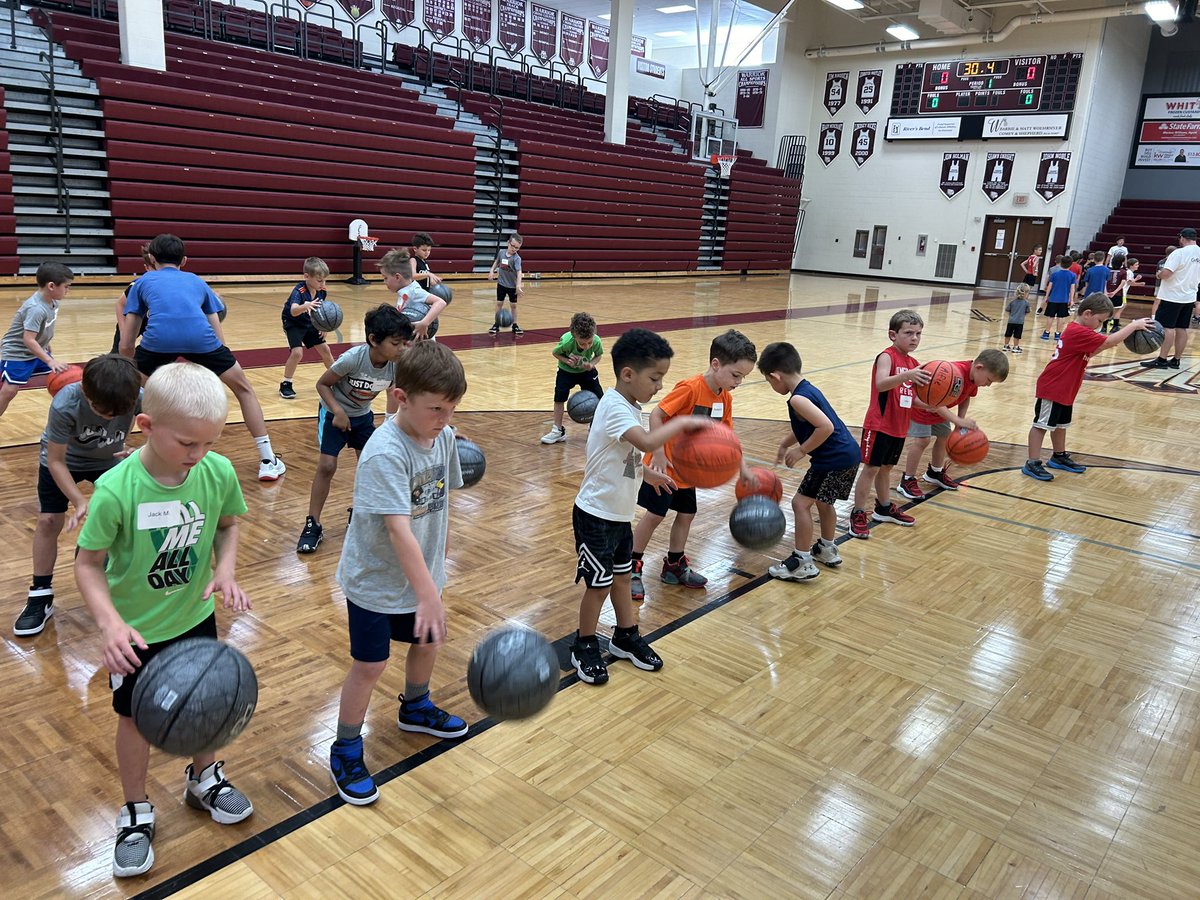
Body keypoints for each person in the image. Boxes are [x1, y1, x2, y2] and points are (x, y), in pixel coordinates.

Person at [74, 362, 254, 877]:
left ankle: (205, 779)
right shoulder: (115, 489)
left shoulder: (215, 471)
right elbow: (87, 565)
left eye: (209, 443)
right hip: (136, 634)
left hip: (194, 618)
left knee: (208, 700)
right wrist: (109, 624)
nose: (198, 456)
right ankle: (134, 809)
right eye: (187, 444)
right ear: (146, 427)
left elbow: (228, 526)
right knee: (133, 720)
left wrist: (225, 569)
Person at [328, 341, 470, 807]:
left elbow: (444, 495)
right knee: (370, 665)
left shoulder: (443, 436)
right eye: (436, 409)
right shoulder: (385, 453)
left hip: (421, 575)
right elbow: (397, 531)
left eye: (451, 409)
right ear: (399, 397)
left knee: (429, 641)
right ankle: (346, 747)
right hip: (375, 581)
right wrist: (429, 594)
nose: (445, 418)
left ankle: (416, 706)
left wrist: (440, 555)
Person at [569, 328, 711, 685]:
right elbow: (647, 439)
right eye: (655, 378)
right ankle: (583, 643)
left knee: (620, 577)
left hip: (618, 515)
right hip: (594, 515)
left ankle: (625, 635)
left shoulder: (628, 406)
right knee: (598, 585)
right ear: (628, 374)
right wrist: (682, 421)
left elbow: (627, 455)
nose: (659, 386)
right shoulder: (616, 407)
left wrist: (649, 475)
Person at [118, 234, 286, 482]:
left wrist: (133, 372)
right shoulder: (198, 283)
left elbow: (125, 345)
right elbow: (220, 340)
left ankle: (114, 453)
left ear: (151, 258)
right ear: (184, 260)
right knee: (244, 390)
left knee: (128, 391)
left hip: (156, 343)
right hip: (203, 341)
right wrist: (215, 364)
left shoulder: (141, 283)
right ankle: (268, 460)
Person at [13, 354, 142, 637]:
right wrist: (79, 500)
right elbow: (56, 462)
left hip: (109, 460)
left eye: (115, 414)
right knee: (49, 520)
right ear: (85, 391)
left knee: (128, 516)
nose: (109, 418)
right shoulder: (65, 404)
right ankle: (40, 594)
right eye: (102, 412)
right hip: (64, 461)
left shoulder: (135, 396)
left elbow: (155, 427)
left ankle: (110, 574)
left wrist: (136, 450)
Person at [629, 329, 757, 602]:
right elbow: (657, 415)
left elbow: (729, 438)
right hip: (663, 469)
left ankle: (674, 564)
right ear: (716, 364)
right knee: (654, 516)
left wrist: (743, 468)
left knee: (687, 515)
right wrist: (658, 452)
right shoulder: (690, 388)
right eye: (736, 375)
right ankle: (631, 566)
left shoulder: (725, 398)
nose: (738, 382)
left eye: (743, 377)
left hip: (688, 472)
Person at [296, 306, 414, 554]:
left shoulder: (395, 364)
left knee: (369, 466)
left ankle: (359, 513)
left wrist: (390, 421)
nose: (401, 348)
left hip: (362, 418)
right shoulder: (353, 359)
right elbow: (322, 384)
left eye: (404, 343)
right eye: (396, 343)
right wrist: (338, 411)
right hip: (333, 415)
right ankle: (312, 523)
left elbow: (393, 393)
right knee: (327, 466)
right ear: (373, 340)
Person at [1022, 293, 1155, 481]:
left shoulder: (1080, 332)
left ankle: (1058, 456)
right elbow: (1108, 341)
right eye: (1099, 321)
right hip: (1053, 386)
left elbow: (1098, 349)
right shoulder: (1077, 331)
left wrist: (1124, 334)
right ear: (1087, 314)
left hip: (1066, 387)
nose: (1100, 326)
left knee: (1060, 425)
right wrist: (1133, 326)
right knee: (1041, 425)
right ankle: (1032, 462)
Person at [757, 342, 860, 582]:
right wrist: (785, 443)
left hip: (832, 459)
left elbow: (825, 427)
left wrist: (801, 451)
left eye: (769, 381)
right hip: (849, 455)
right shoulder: (808, 389)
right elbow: (810, 424)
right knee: (824, 502)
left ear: (775, 376)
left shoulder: (797, 400)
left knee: (800, 504)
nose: (772, 385)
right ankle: (827, 548)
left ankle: (801, 561)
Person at [848, 310, 932, 539]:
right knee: (871, 468)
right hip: (879, 424)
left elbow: (909, 396)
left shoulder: (913, 363)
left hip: (899, 426)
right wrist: (908, 376)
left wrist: (929, 405)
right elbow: (882, 383)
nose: (914, 338)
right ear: (892, 335)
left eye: (918, 334)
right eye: (908, 333)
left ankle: (883, 508)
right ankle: (857, 513)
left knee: (886, 469)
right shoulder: (887, 356)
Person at [896, 350, 1009, 500]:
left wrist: (959, 421)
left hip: (940, 408)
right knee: (922, 441)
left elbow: (966, 396)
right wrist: (957, 420)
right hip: (923, 405)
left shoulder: (973, 378)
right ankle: (907, 480)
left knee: (944, 436)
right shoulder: (955, 374)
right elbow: (935, 401)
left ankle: (934, 473)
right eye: (989, 380)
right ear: (979, 367)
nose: (988, 385)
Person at [0, 261, 73, 419]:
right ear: (52, 286)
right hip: (17, 353)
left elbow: (43, 329)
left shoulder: (53, 302)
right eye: (66, 286)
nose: (68, 290)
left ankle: (68, 419)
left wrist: (46, 344)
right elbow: (28, 339)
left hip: (37, 351)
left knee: (62, 379)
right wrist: (50, 361)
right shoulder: (36, 308)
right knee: (10, 390)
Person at [540, 311, 604, 445]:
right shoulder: (567, 341)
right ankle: (558, 430)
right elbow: (555, 353)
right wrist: (566, 360)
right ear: (575, 337)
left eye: (589, 342)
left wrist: (591, 364)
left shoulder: (596, 341)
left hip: (586, 372)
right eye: (582, 344)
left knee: (599, 398)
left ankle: (596, 428)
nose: (587, 346)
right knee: (559, 398)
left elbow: (598, 356)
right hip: (566, 371)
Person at [1142, 227, 1200, 370]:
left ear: (1182, 238)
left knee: (1168, 328)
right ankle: (1176, 360)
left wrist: (1158, 274)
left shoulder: (1178, 253)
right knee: (1182, 328)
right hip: (1189, 296)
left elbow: (1166, 274)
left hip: (1172, 295)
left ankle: (1162, 359)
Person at [279, 257, 335, 400]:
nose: (323, 283)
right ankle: (286, 384)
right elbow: (293, 310)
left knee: (325, 350)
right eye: (319, 280)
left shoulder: (321, 291)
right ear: (306, 276)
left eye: (324, 280)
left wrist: (324, 326)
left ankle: (336, 380)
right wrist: (306, 306)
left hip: (309, 322)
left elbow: (322, 310)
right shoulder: (299, 291)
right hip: (293, 322)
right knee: (297, 353)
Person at [379, 248, 446, 340]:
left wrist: (424, 323)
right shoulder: (404, 291)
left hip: (423, 344)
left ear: (397, 277)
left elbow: (440, 302)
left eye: (385, 278)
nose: (384, 281)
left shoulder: (414, 291)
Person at [111, 246, 155, 354]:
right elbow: (121, 304)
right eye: (154, 269)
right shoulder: (137, 285)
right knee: (118, 353)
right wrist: (123, 329)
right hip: (136, 318)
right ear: (146, 268)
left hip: (155, 321)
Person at [488, 233, 524, 336]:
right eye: (513, 246)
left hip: (512, 286)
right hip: (501, 284)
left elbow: (519, 272)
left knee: (513, 305)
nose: (514, 249)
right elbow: (497, 262)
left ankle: (515, 325)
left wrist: (518, 286)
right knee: (499, 303)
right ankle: (496, 324)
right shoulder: (501, 252)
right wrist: (491, 271)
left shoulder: (517, 258)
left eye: (517, 248)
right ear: (508, 243)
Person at [1040, 255, 1077, 343]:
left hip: (1053, 299)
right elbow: (1072, 288)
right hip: (1064, 300)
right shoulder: (1072, 275)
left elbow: (1050, 286)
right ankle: (1058, 334)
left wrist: (1046, 297)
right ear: (1071, 264)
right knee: (1061, 317)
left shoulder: (1055, 274)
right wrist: (1071, 300)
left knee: (1050, 316)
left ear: (1061, 264)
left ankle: (1046, 333)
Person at [1104, 257, 1142, 334]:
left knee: (1116, 308)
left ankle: (1110, 322)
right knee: (1119, 309)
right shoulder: (1128, 272)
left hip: (1116, 292)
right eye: (1136, 264)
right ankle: (1114, 324)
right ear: (1131, 266)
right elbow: (1128, 283)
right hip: (1121, 293)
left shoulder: (1125, 272)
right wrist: (1138, 280)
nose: (1138, 266)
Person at [1002, 283, 1032, 353]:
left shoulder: (1012, 302)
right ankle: (1015, 347)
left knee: (1008, 334)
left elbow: (1007, 310)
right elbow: (1028, 311)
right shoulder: (1026, 303)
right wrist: (1023, 315)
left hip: (1011, 321)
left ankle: (1006, 346)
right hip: (1020, 322)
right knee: (1017, 335)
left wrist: (1011, 315)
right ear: (1026, 293)